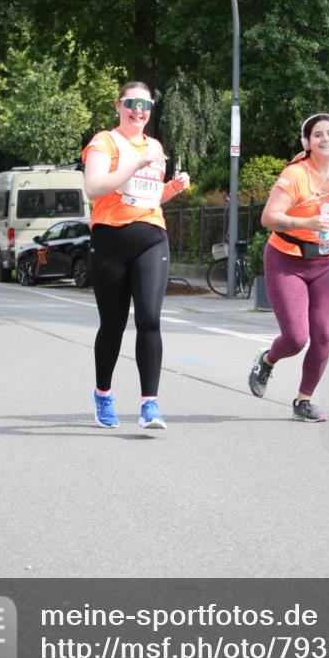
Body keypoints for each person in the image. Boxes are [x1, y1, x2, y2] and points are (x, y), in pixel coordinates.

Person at [82, 81, 190, 431]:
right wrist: (135, 161)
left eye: (145, 105)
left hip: (151, 239)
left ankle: (150, 405)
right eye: (131, 103)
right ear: (119, 105)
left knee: (149, 319)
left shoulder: (155, 146)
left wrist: (172, 188)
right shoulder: (105, 142)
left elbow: (147, 197)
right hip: (110, 241)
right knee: (112, 325)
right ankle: (103, 394)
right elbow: (94, 187)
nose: (138, 110)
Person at [248, 113, 329, 422]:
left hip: (326, 263)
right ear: (308, 142)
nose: (325, 139)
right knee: (296, 338)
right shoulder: (296, 174)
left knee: (324, 336)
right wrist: (308, 222)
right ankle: (267, 360)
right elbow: (269, 217)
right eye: (318, 135)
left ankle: (304, 400)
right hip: (286, 260)